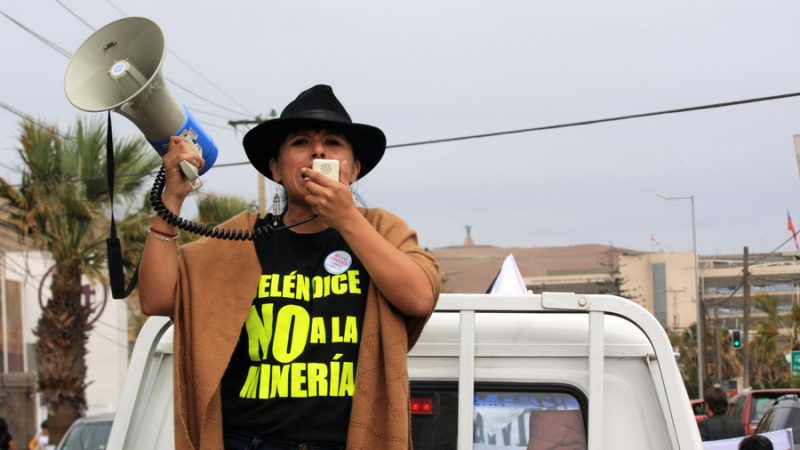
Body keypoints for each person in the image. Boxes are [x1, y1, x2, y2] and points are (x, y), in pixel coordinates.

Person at [139, 84, 440, 450]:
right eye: (300, 142)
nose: (317, 150)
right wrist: (170, 198)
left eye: (332, 142)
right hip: (248, 442)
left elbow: (420, 297)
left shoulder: (380, 231)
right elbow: (156, 299)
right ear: (276, 169)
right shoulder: (239, 238)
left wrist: (346, 219)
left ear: (354, 168)